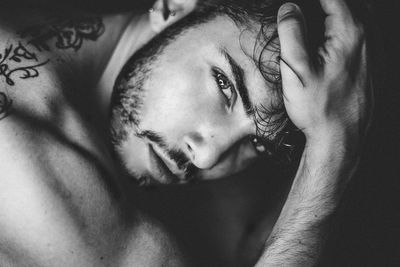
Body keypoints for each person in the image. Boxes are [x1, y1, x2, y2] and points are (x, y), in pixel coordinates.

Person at [0, 0, 371, 266]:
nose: (208, 157)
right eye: (225, 85)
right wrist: (333, 157)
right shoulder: (29, 166)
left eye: (256, 144)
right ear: (173, 7)